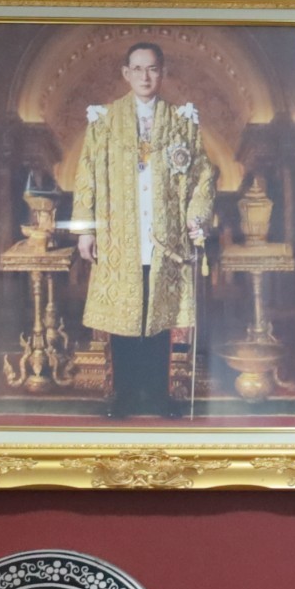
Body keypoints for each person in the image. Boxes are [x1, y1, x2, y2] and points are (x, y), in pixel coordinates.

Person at [71, 41, 216, 419]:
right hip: (120, 235)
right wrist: (86, 230)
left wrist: (196, 217)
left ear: (162, 72)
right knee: (125, 316)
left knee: (158, 316)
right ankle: (124, 395)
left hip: (165, 237)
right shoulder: (104, 121)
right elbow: (86, 174)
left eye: (152, 68)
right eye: (137, 69)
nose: (145, 76)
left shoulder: (182, 121)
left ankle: (156, 396)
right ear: (126, 73)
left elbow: (202, 175)